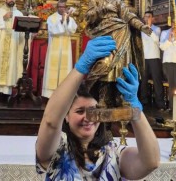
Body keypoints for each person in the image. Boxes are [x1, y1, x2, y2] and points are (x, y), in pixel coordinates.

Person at [36, 36, 160, 180]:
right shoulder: (57, 152)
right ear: (66, 116)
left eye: (94, 110)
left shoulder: (114, 153)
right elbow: (51, 122)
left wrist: (135, 108)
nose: (88, 117)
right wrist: (81, 67)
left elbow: (151, 162)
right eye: (79, 111)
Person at [84, 0, 152, 108]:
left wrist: (142, 26)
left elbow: (129, 16)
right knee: (105, 65)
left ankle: (120, 97)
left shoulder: (117, 2)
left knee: (120, 67)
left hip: (121, 37)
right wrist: (103, 8)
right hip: (105, 37)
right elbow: (89, 17)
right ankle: (103, 98)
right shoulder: (95, 1)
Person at [42, 0, 77, 98]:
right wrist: (61, 21)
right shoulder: (51, 18)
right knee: (52, 69)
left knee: (65, 70)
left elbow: (72, 30)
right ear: (57, 7)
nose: (62, 8)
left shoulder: (70, 18)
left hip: (65, 49)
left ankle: (63, 93)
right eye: (60, 7)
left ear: (66, 7)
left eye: (63, 7)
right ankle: (50, 94)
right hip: (54, 49)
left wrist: (68, 20)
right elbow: (52, 30)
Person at [140, 11, 166, 110]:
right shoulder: (141, 29)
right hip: (144, 58)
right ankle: (143, 101)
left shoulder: (157, 29)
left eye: (149, 17)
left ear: (153, 18)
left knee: (157, 80)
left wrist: (149, 27)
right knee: (143, 81)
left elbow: (156, 40)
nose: (147, 18)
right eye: (145, 16)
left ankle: (160, 104)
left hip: (154, 57)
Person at [160, 21, 176, 112]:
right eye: (174, 22)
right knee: (172, 85)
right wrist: (169, 39)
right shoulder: (165, 33)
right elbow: (162, 47)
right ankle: (172, 108)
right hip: (169, 62)